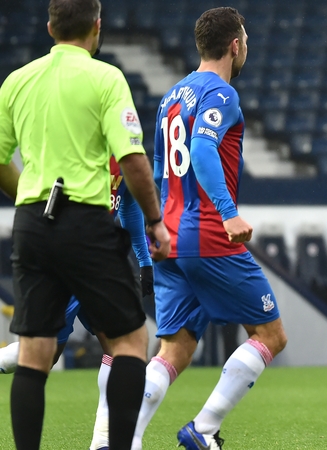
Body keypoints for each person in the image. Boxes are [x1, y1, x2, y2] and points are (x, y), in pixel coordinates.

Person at [0, 0, 171, 448]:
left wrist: (26, 198)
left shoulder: (16, 81)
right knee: (132, 341)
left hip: (32, 223)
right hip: (86, 221)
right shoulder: (105, 77)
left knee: (36, 355)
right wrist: (156, 220)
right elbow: (133, 161)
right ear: (97, 27)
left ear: (50, 26)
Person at [132, 8, 288, 450]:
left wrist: (156, 228)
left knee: (174, 351)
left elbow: (161, 170)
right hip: (207, 235)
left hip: (170, 235)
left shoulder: (170, 97)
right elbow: (202, 149)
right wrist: (227, 212)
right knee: (270, 335)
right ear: (235, 45)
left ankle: (126, 438)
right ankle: (203, 429)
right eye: (246, 42)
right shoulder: (221, 93)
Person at [0, 155, 154, 449]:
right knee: (46, 354)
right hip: (67, 255)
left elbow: (129, 203)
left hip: (100, 260)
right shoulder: (77, 144)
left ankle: (102, 441)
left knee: (119, 344)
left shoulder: (120, 148)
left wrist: (145, 261)